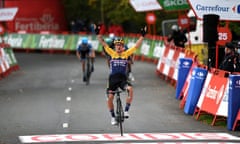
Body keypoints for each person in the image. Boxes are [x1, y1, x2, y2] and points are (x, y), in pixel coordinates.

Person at [95, 24, 146, 125]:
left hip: (122, 80)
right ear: (115, 47)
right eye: (117, 45)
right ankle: (113, 117)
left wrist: (142, 36)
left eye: (120, 45)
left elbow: (136, 46)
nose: (118, 47)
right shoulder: (112, 53)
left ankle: (126, 111)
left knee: (130, 90)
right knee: (110, 98)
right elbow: (103, 43)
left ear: (123, 47)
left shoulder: (126, 54)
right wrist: (97, 33)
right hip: (112, 80)